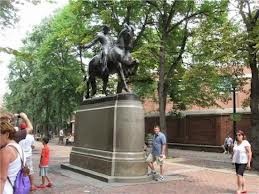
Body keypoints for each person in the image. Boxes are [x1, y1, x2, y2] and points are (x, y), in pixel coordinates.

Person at [0, 121, 25, 194]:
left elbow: (1, 179)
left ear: (7, 134)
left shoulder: (6, 151)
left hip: (4, 189)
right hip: (11, 188)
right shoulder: (19, 147)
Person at [231, 130, 252, 194]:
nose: (238, 136)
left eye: (239, 135)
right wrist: (232, 159)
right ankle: (244, 188)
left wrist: (248, 163)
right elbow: (234, 152)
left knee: (239, 175)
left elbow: (249, 153)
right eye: (237, 135)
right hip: (237, 161)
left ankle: (239, 189)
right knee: (241, 175)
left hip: (243, 162)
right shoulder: (235, 142)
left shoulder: (245, 142)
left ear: (243, 136)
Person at [19, 124, 37, 191]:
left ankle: (20, 185)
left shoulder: (18, 136)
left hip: (21, 156)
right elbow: (32, 145)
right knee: (30, 170)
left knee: (20, 170)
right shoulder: (31, 137)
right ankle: (32, 185)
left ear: (20, 129)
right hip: (28, 155)